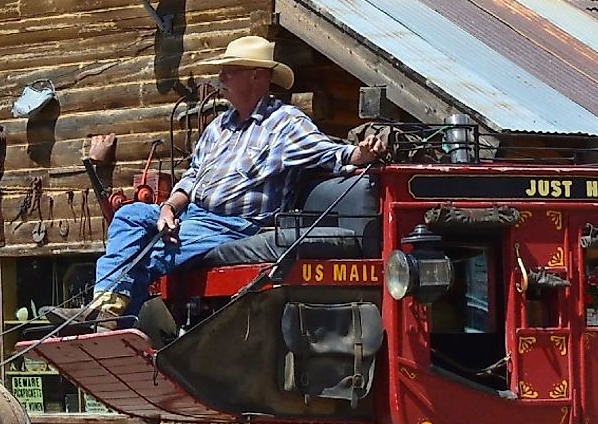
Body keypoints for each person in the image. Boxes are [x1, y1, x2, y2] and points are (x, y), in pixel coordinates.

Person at [69, 35, 378, 329]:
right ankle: (106, 309)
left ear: (257, 76)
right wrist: (167, 208)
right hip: (191, 215)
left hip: (233, 225)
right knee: (128, 215)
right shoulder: (219, 126)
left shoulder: (285, 123)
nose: (220, 79)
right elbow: (191, 178)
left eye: (230, 72)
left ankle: (108, 324)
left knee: (152, 254)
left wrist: (360, 153)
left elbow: (332, 153)